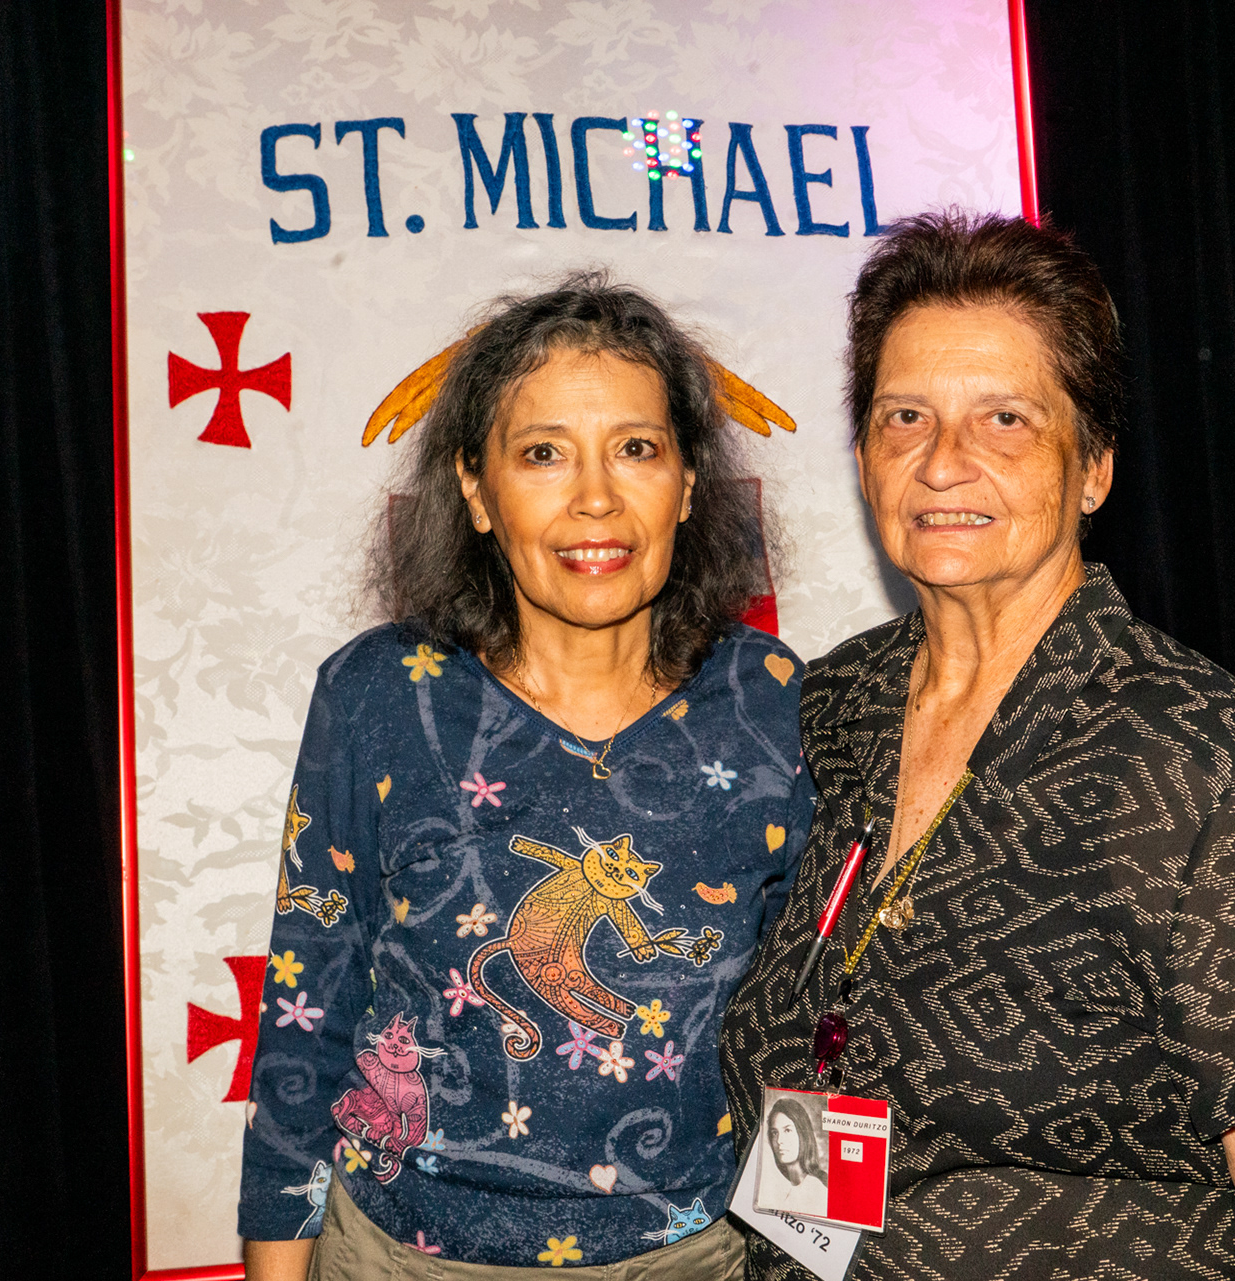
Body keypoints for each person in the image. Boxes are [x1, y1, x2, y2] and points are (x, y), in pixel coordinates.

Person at [719, 212, 1235, 1280]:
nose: (943, 463)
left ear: (1094, 469)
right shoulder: (831, 707)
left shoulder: (1205, 766)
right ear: (863, 458)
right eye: (905, 417)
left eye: (1004, 420)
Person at [239, 272, 813, 1280]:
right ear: (475, 488)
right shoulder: (377, 696)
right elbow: (307, 1013)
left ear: (688, 483)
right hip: (406, 1257)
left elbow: (808, 1030)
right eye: (543, 452)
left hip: (699, 1257)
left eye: (637, 448)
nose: (596, 497)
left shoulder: (773, 701)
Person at [758, 1095, 828, 1216]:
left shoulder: (815, 1188)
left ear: (803, 1134)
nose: (779, 1141)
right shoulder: (783, 1187)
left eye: (787, 1130)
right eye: (774, 1133)